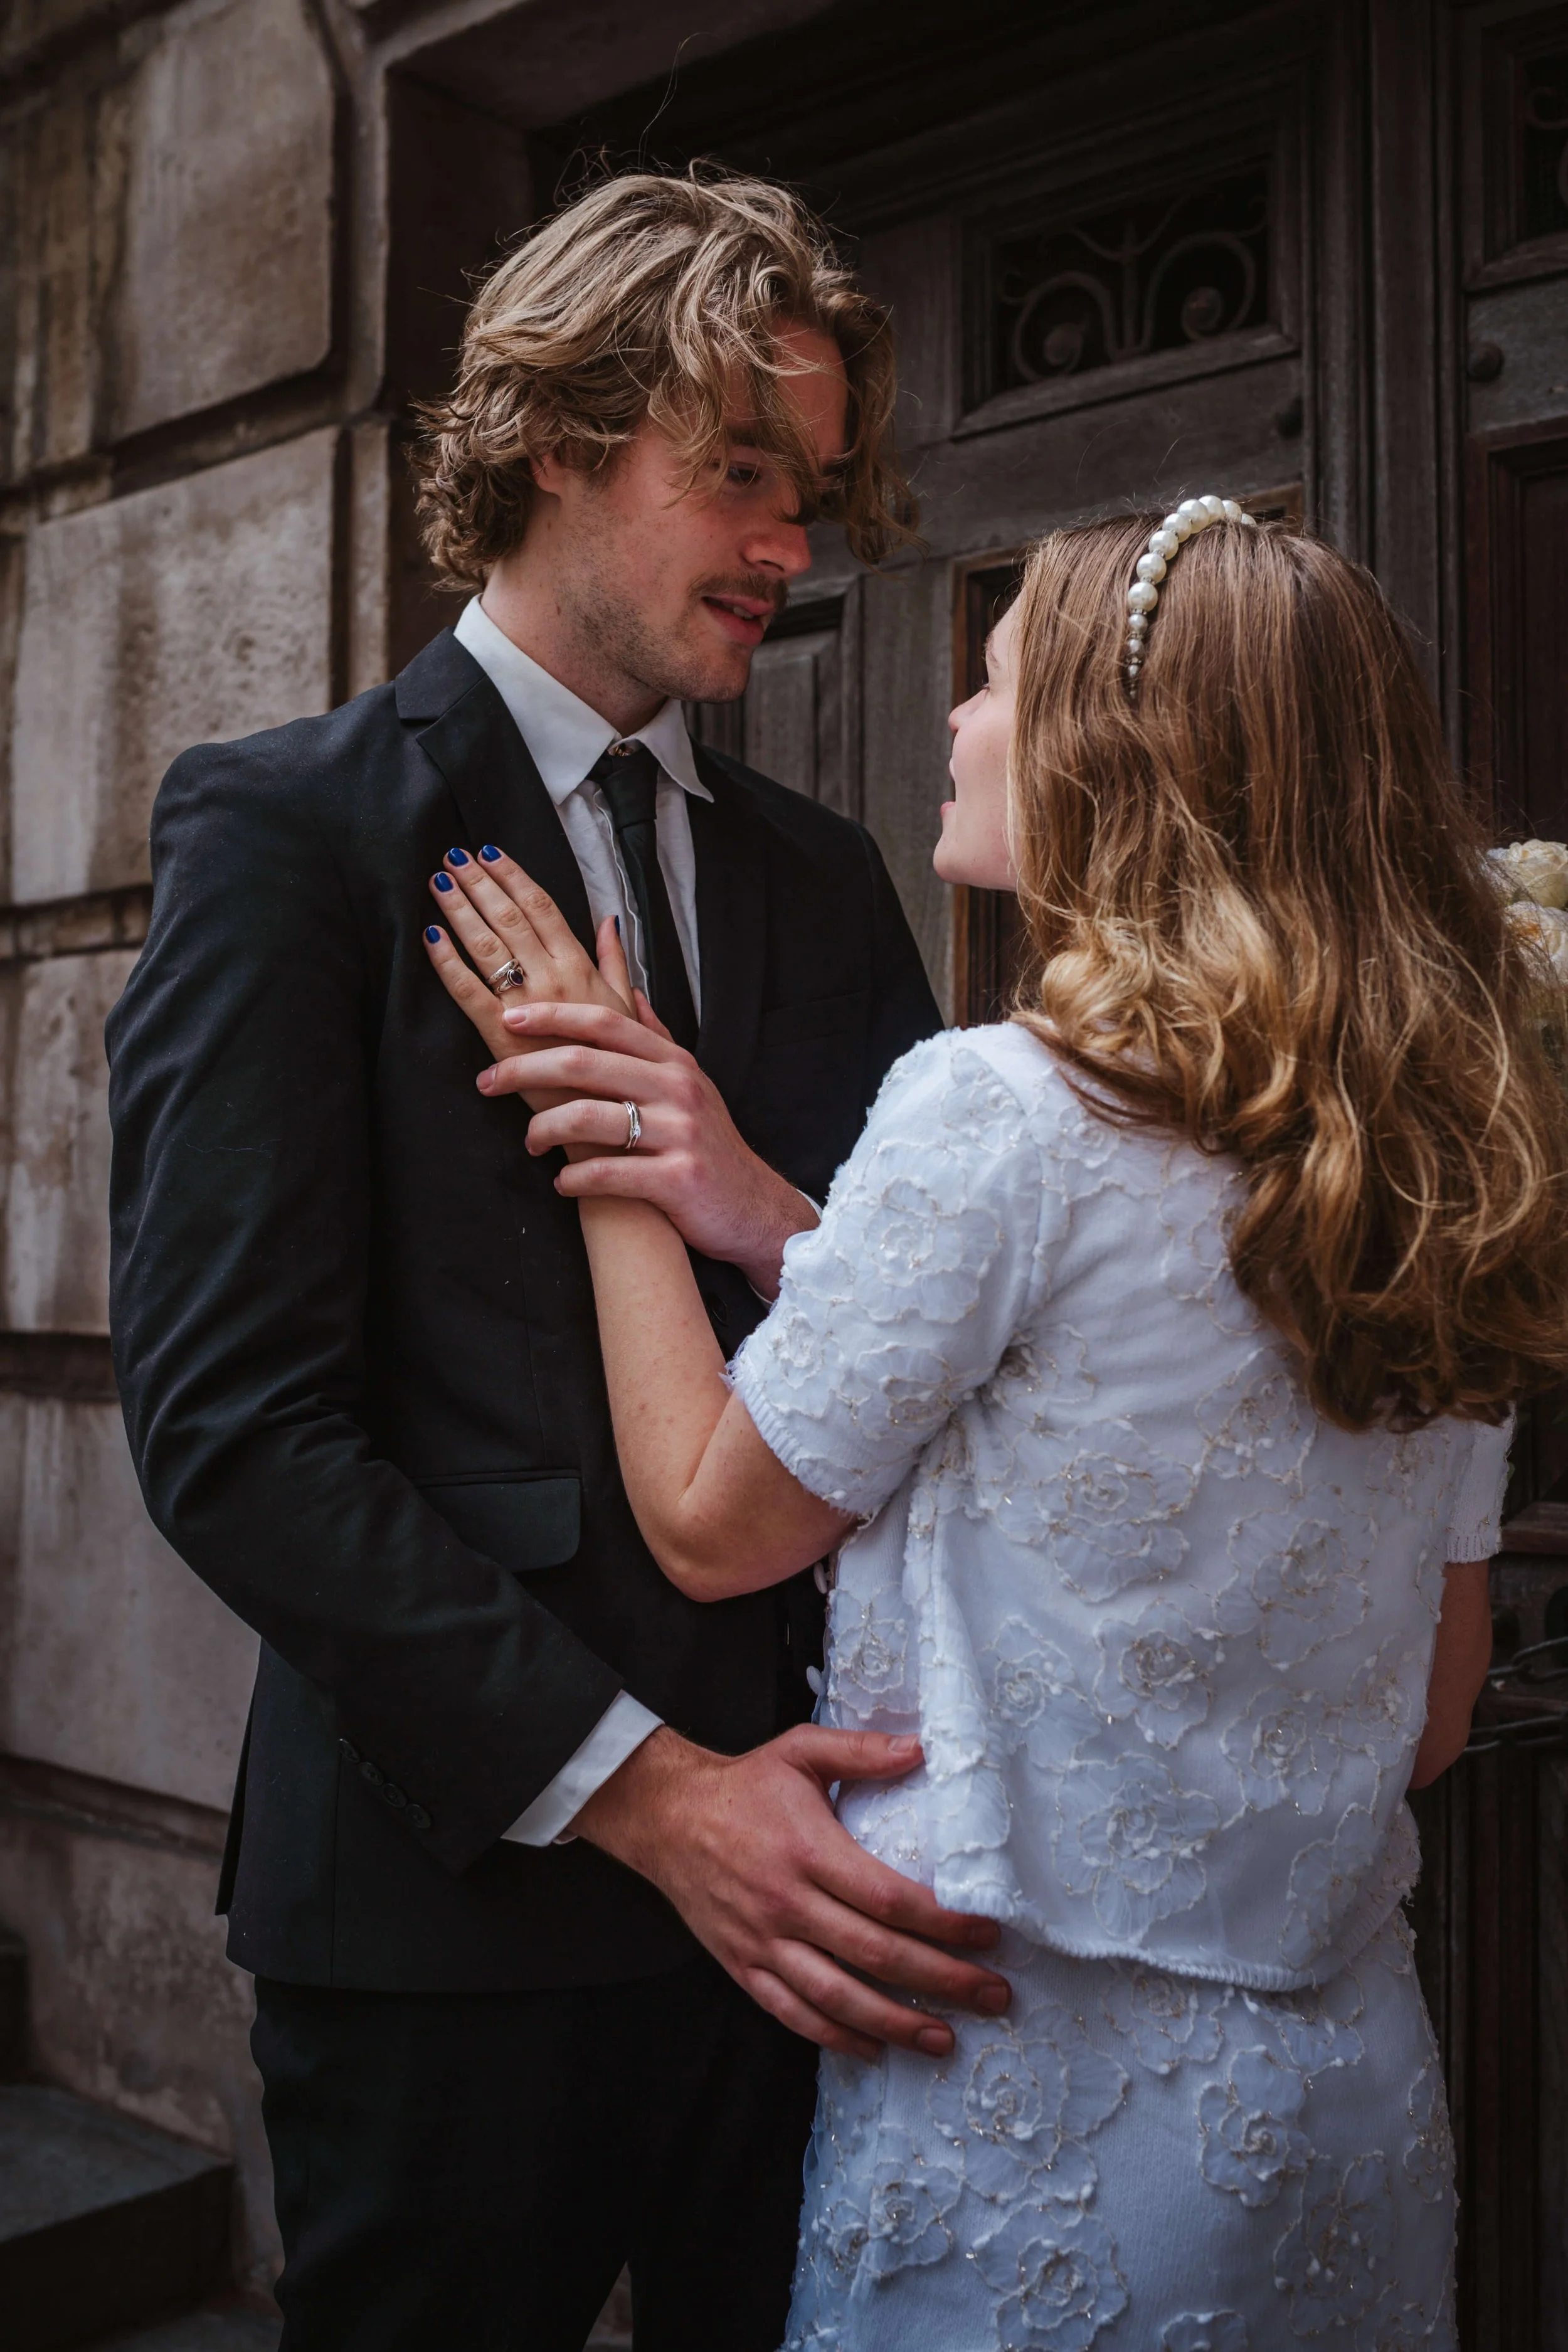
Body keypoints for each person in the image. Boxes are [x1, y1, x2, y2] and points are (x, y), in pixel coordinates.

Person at [423, 502, 1568, 2346]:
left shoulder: (998, 1109)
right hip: (1333, 2101)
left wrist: (615, 1146)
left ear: (1113, 765)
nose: (955, 718)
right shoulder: (1438, 1180)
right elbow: (1426, 1717)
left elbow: (715, 1517)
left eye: (996, 679)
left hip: (1026, 2103)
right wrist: (771, 1210)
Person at [105, 168, 1015, 2352]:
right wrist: (653, 1798)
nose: (791, 550)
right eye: (736, 477)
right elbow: (233, 1429)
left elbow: (916, 1348)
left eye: (808, 492)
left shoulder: (826, 880)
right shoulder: (286, 830)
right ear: (554, 437)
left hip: (819, 1900)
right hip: (446, 1927)